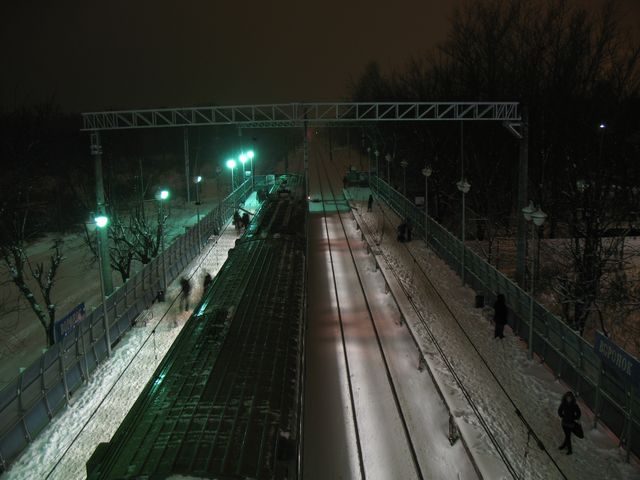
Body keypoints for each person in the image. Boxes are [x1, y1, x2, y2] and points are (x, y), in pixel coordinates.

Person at [558, 391, 581, 455]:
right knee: (567, 435)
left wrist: (574, 418)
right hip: (565, 423)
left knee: (567, 436)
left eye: (570, 398)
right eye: (567, 397)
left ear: (572, 398)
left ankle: (569, 449)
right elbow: (559, 411)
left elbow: (579, 413)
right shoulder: (563, 404)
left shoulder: (574, 405)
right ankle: (565, 446)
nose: (568, 399)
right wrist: (562, 416)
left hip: (570, 424)